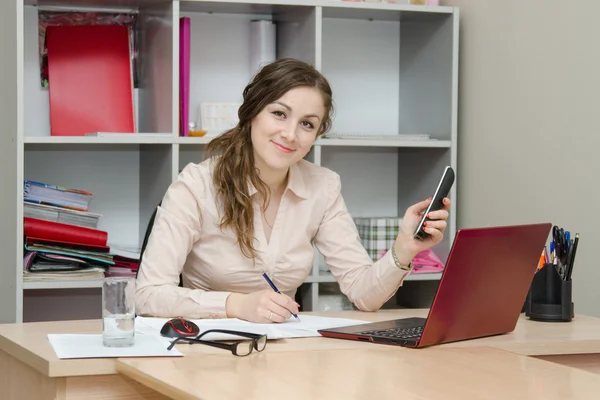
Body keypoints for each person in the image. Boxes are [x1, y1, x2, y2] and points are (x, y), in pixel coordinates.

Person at [135, 58, 450, 323]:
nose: (290, 134)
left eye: (307, 124)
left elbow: (363, 294)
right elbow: (147, 295)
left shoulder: (323, 187)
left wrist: (405, 249)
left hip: (285, 350)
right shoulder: (195, 186)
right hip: (206, 349)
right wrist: (235, 305)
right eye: (279, 114)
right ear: (252, 112)